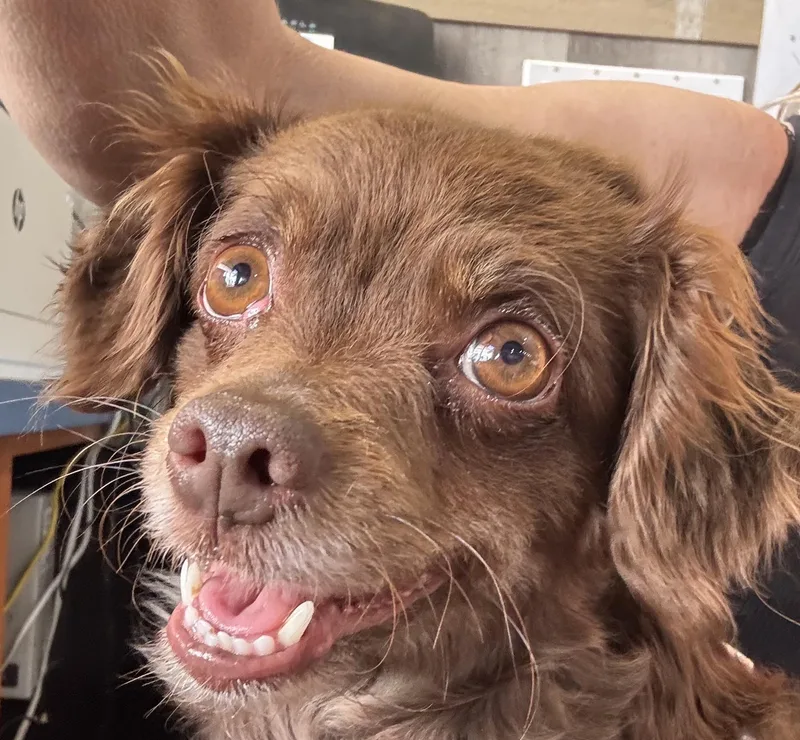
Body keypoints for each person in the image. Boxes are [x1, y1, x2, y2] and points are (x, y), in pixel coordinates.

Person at [0, 0, 798, 671]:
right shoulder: (735, 156)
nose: (236, 441)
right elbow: (182, 60)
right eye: (237, 278)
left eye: (507, 357)